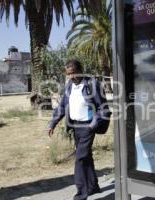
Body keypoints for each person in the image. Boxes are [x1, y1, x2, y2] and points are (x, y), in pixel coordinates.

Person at [48, 59, 109, 200]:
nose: (72, 76)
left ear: (81, 70)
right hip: (75, 126)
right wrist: (53, 123)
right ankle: (93, 186)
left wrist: (93, 125)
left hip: (88, 126)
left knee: (80, 158)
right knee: (86, 157)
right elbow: (62, 106)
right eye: (69, 74)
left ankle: (81, 195)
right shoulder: (69, 86)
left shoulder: (92, 84)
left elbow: (102, 108)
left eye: (74, 73)